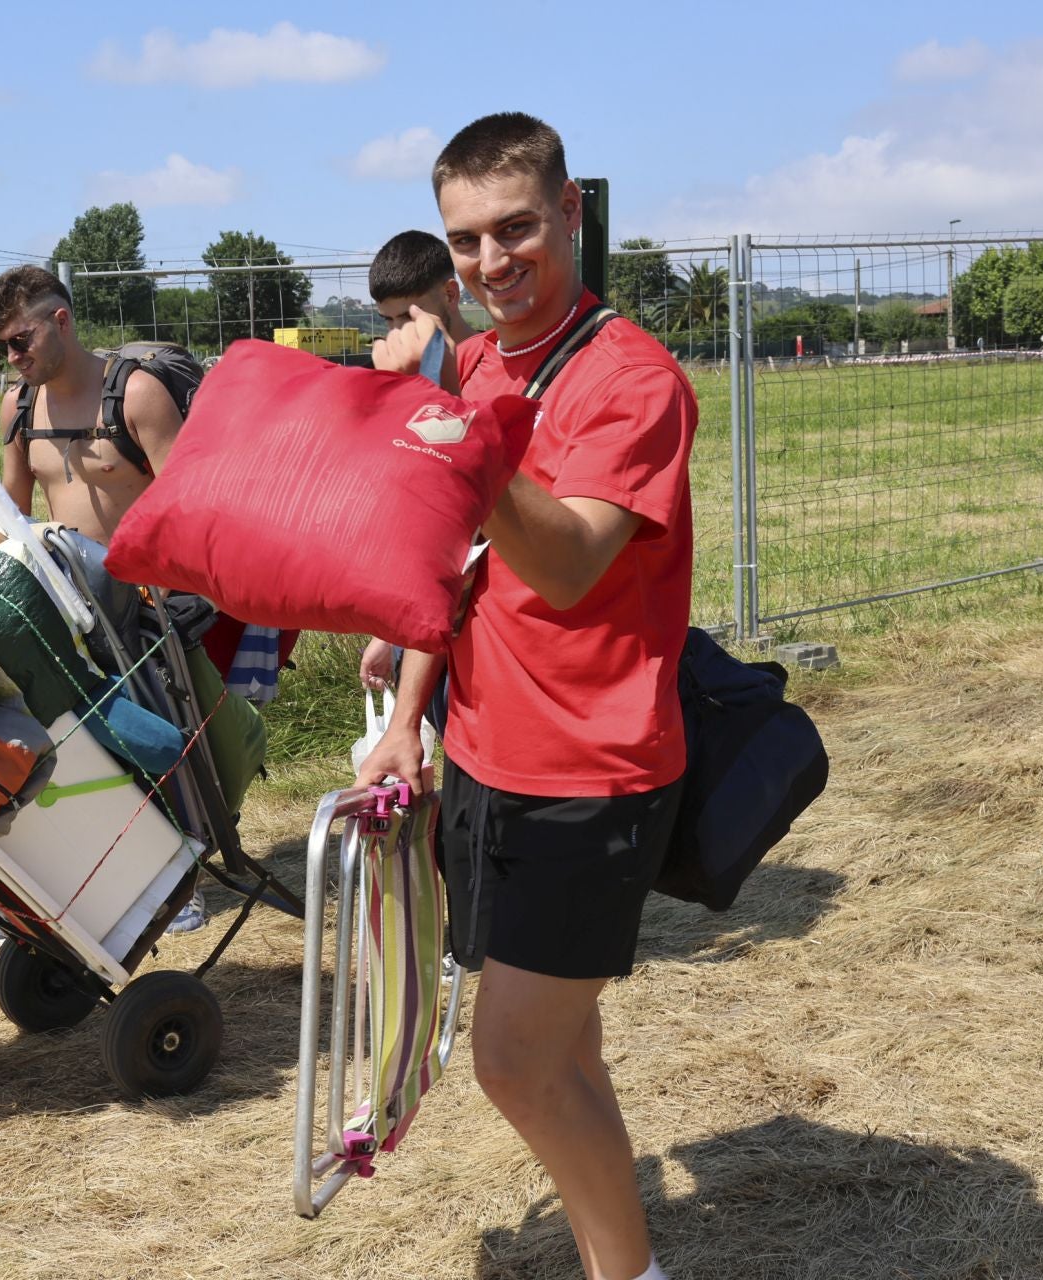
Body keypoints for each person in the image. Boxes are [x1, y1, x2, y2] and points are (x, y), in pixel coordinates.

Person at [357, 112, 696, 1280]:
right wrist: (407, 711)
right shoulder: (488, 364)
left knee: (512, 1060)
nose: (490, 263)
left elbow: (565, 559)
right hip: (483, 753)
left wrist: (456, 437)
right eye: (464, 242)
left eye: (514, 230)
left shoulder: (632, 379)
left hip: (591, 771)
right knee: (566, 1051)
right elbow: (457, 562)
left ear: (570, 214)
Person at [0, 264, 205, 944]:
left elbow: (187, 502)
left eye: (20, 341)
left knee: (153, 742)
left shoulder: (138, 394)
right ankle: (62, 884)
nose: (13, 358)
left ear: (61, 321)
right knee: (57, 743)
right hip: (62, 598)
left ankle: (176, 881)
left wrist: (169, 593)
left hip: (146, 603)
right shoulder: (18, 407)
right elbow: (11, 511)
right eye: (5, 348)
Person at [358, 229, 482, 694]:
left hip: (481, 614)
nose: (398, 335)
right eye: (387, 321)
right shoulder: (403, 379)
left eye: (408, 317)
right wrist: (388, 633)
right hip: (427, 616)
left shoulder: (489, 375)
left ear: (451, 294)